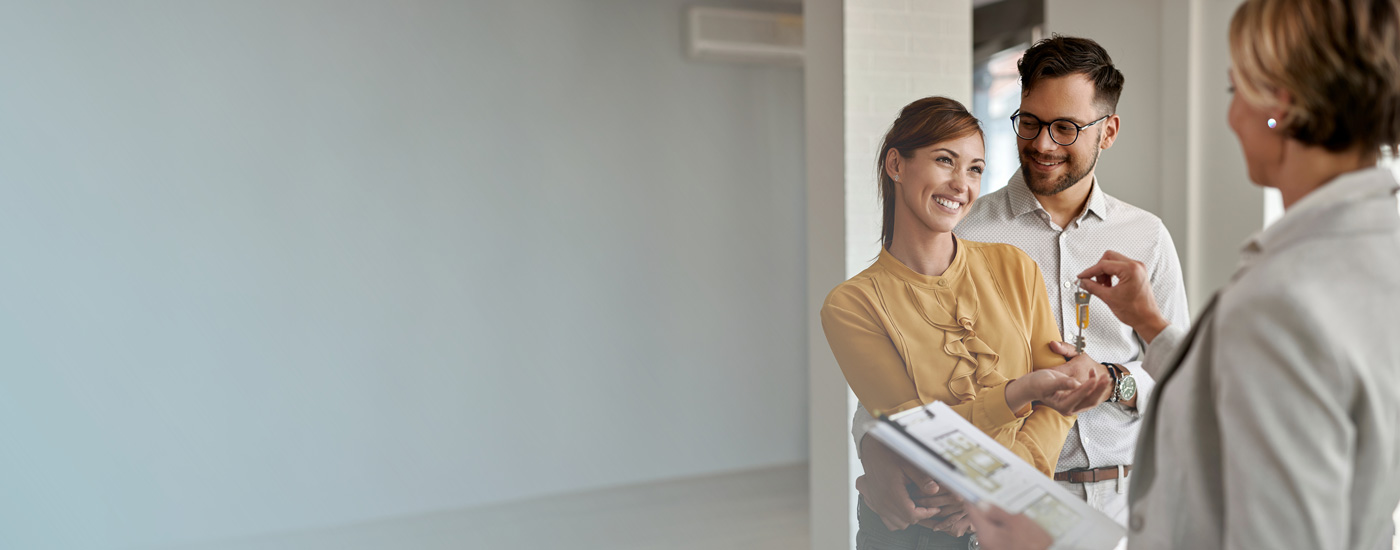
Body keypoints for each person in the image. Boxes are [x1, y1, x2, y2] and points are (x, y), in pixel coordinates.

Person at [967, 1, 1400, 548]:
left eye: (1234, 90)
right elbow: (1225, 399)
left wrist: (1115, 379)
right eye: (1031, 122)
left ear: (1281, 106)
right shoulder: (1368, 252)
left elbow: (1275, 525)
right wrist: (1149, 322)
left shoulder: (1285, 290)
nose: (1231, 115)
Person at [850, 35, 1190, 538]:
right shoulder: (962, 231)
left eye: (1066, 128)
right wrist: (874, 454)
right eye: (1029, 122)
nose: (1043, 143)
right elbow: (890, 383)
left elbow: (1177, 374)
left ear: (1109, 131)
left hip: (1122, 504)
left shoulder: (1147, 237)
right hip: (989, 507)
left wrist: (1112, 379)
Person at [820, 96, 1113, 550]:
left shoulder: (1015, 267)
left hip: (1015, 518)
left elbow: (1058, 404)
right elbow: (919, 442)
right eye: (944, 161)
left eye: (975, 168)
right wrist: (1020, 393)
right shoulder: (852, 305)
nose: (961, 184)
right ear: (896, 164)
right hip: (920, 533)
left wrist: (998, 489)